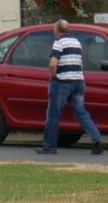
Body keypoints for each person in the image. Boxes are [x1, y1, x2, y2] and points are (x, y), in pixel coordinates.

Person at [38, 19, 106, 155]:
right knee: (81, 113)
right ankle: (97, 139)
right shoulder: (77, 42)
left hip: (62, 82)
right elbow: (80, 64)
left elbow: (53, 64)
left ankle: (49, 146)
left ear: (57, 29)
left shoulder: (58, 43)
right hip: (78, 81)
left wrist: (54, 76)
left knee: (53, 114)